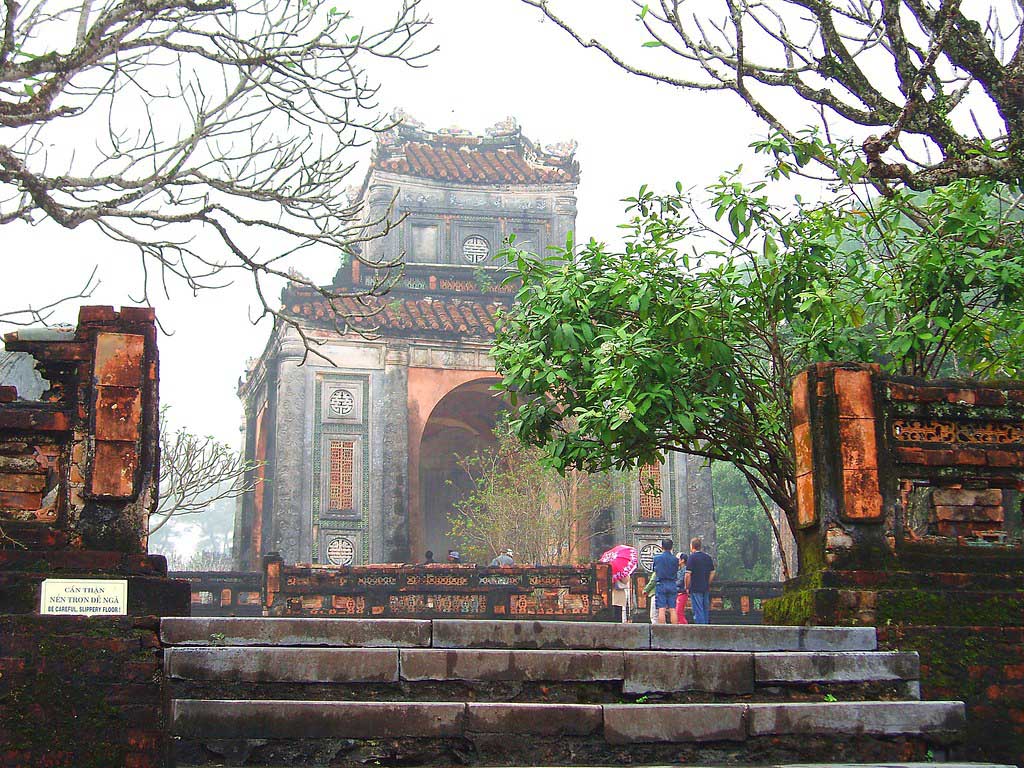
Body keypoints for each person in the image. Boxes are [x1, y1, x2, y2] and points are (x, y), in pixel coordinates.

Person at [684, 537, 716, 624]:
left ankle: (701, 628)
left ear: (692, 546)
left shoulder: (692, 558)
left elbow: (688, 574)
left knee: (698, 609)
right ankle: (706, 625)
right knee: (705, 608)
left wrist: (687, 586)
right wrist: (707, 582)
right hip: (705, 587)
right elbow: (712, 572)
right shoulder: (707, 557)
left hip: (695, 587)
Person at [651, 538, 679, 625]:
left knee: (661, 608)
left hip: (661, 583)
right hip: (672, 583)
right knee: (672, 608)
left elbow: (655, 570)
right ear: (671, 547)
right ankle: (675, 629)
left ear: (661, 547)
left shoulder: (657, 558)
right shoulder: (675, 560)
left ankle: (662, 630)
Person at [674, 552, 690, 624]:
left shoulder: (684, 569)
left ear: (682, 560)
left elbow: (680, 581)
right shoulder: (679, 569)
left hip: (682, 592)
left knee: (679, 612)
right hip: (678, 592)